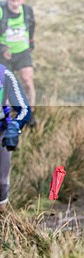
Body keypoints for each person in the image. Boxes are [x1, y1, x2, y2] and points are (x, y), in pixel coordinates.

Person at [0, 0, 36, 121]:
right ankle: (6, 116)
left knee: (27, 80)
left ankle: (30, 112)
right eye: (12, 0)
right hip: (3, 54)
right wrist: (2, 48)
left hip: (22, 51)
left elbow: (32, 25)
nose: (15, 3)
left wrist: (31, 43)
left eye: (18, 0)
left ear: (22, 0)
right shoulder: (1, 11)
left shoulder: (27, 11)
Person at [0, 63, 31, 213]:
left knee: (1, 183)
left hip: (1, 133)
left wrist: (15, 126)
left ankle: (3, 221)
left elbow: (24, 109)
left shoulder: (5, 75)